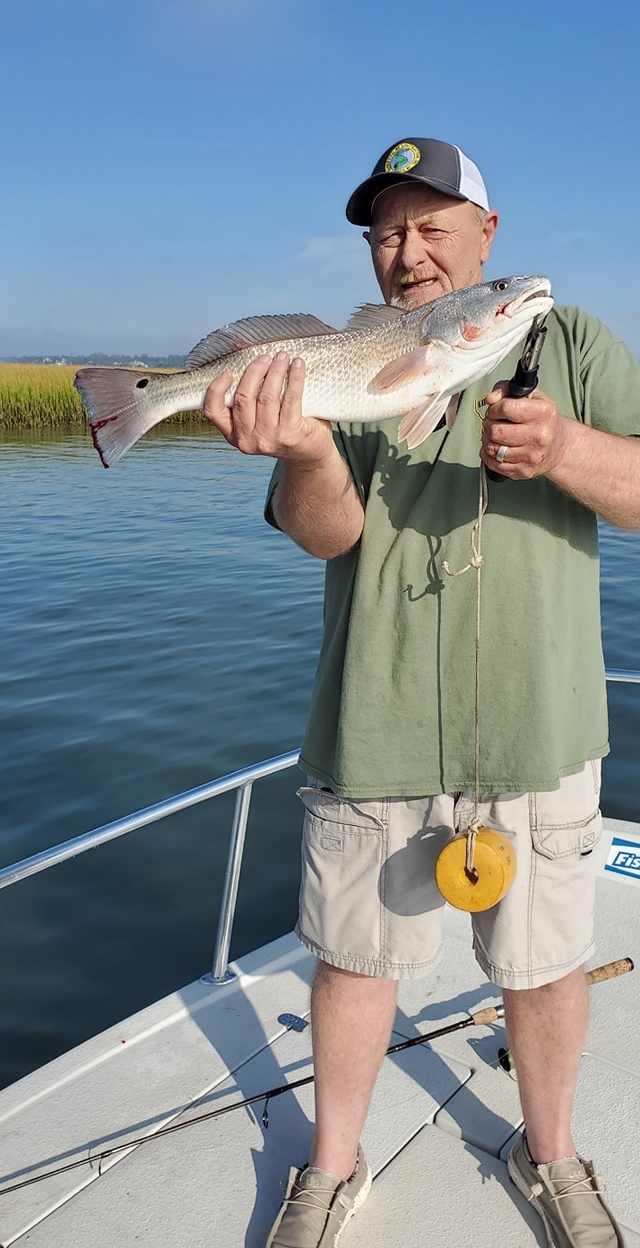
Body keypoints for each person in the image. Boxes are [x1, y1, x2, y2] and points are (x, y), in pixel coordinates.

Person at [204, 137, 640, 1248]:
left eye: (431, 224)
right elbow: (327, 535)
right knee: (351, 960)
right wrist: (304, 452)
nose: (408, 251)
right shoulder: (338, 359)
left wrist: (567, 446)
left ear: (486, 237)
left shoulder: (573, 341)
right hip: (375, 715)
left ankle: (549, 1151)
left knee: (543, 966)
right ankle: (330, 1167)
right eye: (386, 230)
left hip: (539, 725)